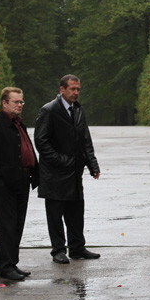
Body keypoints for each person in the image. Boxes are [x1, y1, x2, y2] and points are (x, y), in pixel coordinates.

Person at [34, 74, 101, 264]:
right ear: (62, 89)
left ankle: (77, 248)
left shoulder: (78, 110)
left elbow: (85, 140)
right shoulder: (49, 110)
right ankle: (58, 250)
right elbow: (41, 141)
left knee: (76, 211)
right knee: (55, 213)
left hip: (74, 172)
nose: (76, 92)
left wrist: (92, 165)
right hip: (54, 173)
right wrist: (61, 160)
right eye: (72, 89)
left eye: (78, 89)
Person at [0, 87, 39, 281]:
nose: (20, 105)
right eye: (16, 102)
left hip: (22, 180)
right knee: (6, 225)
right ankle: (5, 267)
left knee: (17, 224)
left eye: (21, 102)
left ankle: (12, 263)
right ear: (4, 103)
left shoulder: (18, 124)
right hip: (5, 184)